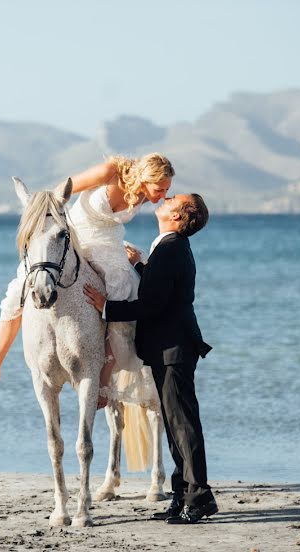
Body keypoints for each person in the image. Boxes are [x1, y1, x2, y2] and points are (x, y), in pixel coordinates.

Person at [0, 153, 174, 410]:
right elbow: (60, 193)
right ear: (147, 178)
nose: (164, 195)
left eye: (167, 189)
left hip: (107, 245)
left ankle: (104, 381)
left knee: (124, 290)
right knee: (16, 291)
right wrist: (51, 229)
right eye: (161, 187)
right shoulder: (110, 172)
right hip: (72, 238)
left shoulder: (145, 194)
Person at [83, 193, 217, 525]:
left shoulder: (171, 248)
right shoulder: (170, 246)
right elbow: (163, 291)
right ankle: (182, 495)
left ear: (177, 216)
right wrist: (142, 266)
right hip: (171, 345)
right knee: (175, 425)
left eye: (174, 199)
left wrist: (105, 306)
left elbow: (151, 305)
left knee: (183, 425)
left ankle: (199, 498)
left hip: (173, 347)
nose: (167, 197)